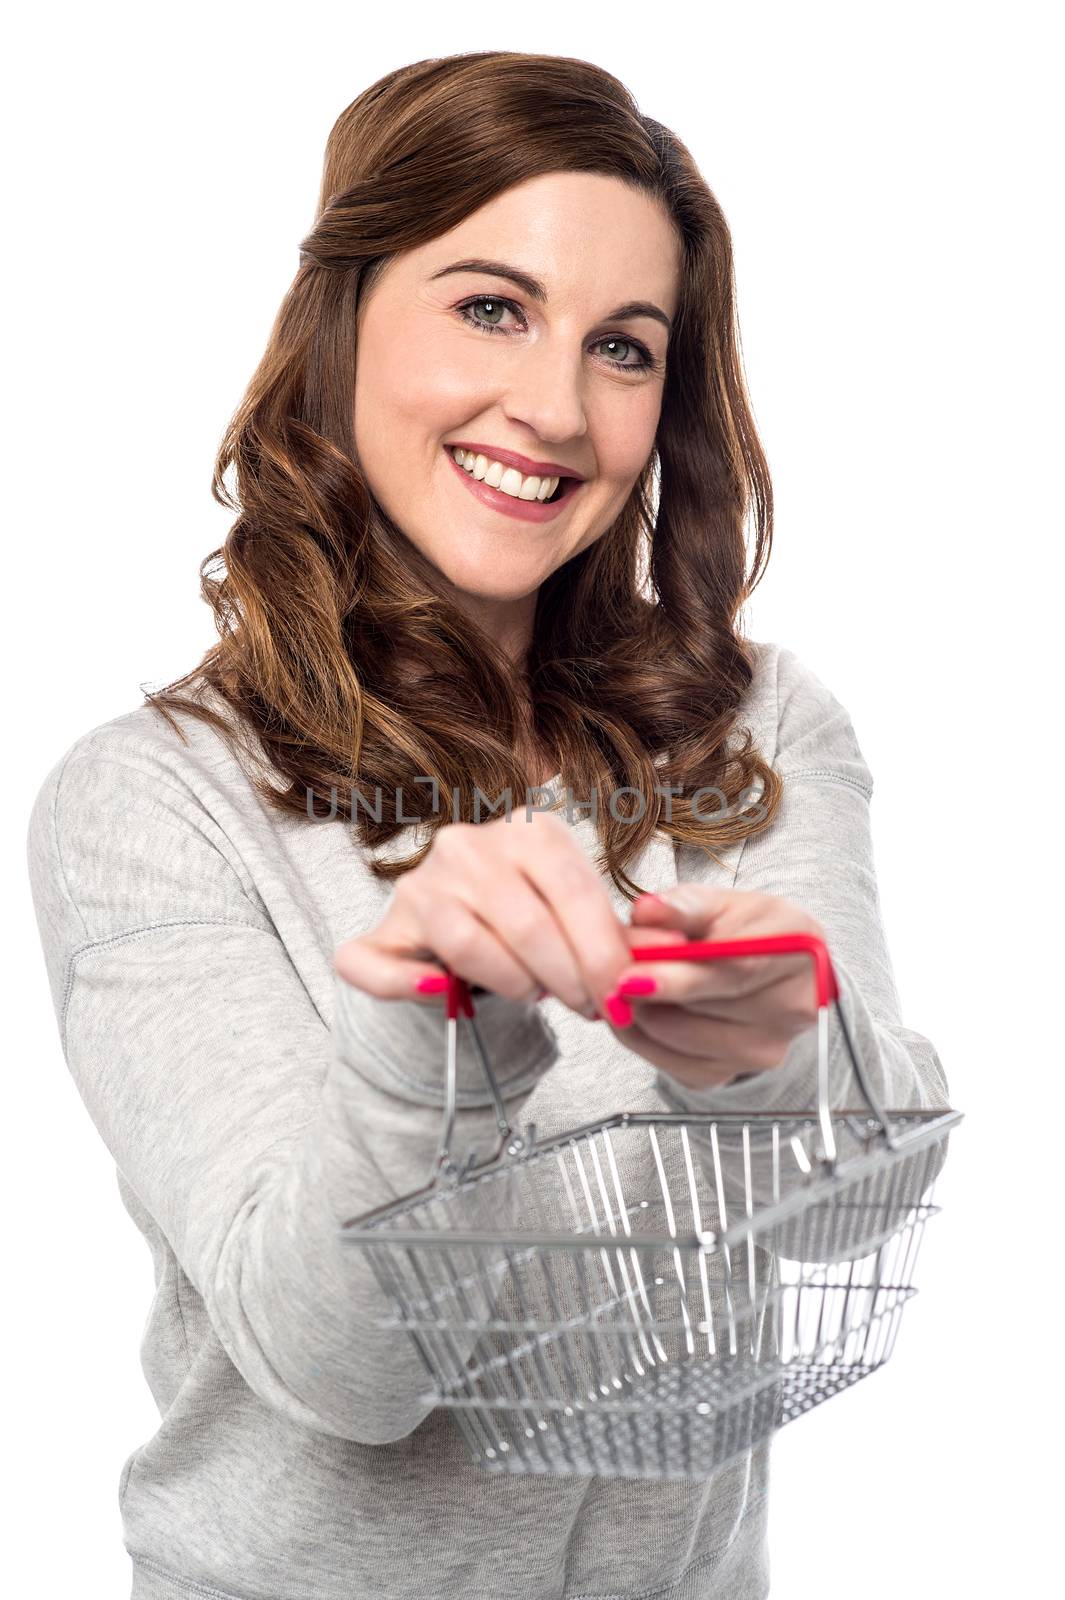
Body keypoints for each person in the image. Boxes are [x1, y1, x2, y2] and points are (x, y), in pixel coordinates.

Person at [25, 50, 951, 1600]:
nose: (553, 409)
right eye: (488, 307)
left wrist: (758, 1034)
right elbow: (339, 1370)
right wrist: (428, 1028)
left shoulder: (755, 729)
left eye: (624, 347)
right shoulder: (149, 803)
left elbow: (857, 1203)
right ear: (342, 316)